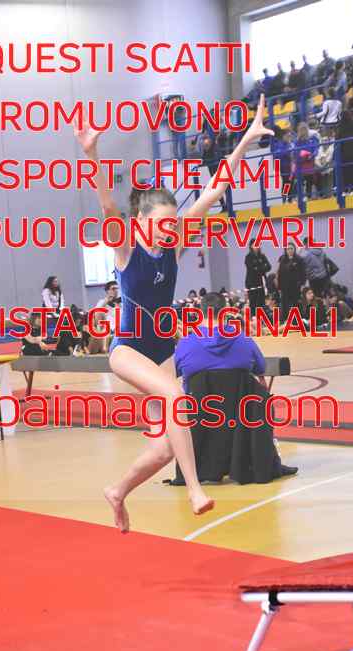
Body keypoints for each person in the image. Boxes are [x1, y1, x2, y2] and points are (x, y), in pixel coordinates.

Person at [73, 94, 274, 531]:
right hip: (127, 348)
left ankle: (117, 492)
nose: (169, 230)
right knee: (177, 398)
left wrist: (245, 140)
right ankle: (195, 489)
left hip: (162, 349)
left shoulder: (174, 245)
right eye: (161, 224)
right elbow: (107, 207)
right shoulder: (126, 249)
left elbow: (215, 189)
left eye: (172, 224)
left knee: (167, 446)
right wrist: (92, 154)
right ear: (141, 221)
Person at [174, 292, 298, 480]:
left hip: (201, 414)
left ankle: (193, 468)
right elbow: (260, 367)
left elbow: (172, 373)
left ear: (200, 312)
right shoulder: (242, 339)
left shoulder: (186, 344)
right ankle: (262, 461)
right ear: (225, 311)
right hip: (241, 413)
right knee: (260, 395)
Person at [277, 244, 306, 320]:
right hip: (285, 287)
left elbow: (303, 273)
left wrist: (302, 284)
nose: (290, 250)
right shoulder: (282, 259)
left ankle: (297, 319)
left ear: (294, 249)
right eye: (288, 249)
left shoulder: (299, 259)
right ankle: (286, 320)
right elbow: (280, 273)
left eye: (291, 248)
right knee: (285, 304)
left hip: (296, 286)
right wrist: (279, 287)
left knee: (296, 303)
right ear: (285, 250)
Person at [292, 122, 320, 199]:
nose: (303, 131)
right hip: (300, 165)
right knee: (291, 182)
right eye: (301, 130)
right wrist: (302, 157)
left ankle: (309, 196)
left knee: (310, 180)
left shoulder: (312, 139)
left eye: (304, 129)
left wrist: (311, 155)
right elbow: (295, 153)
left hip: (310, 164)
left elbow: (316, 149)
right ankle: (289, 198)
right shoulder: (297, 142)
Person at [244, 239, 272, 315]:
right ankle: (253, 317)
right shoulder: (248, 257)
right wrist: (262, 267)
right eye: (254, 245)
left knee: (261, 302)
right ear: (251, 246)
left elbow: (269, 267)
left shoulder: (262, 256)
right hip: (251, 283)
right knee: (253, 302)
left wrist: (258, 268)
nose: (256, 246)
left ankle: (261, 317)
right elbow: (252, 269)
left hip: (261, 282)